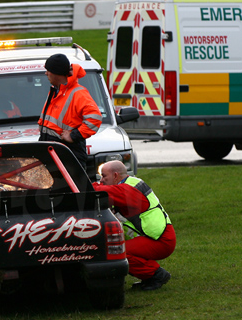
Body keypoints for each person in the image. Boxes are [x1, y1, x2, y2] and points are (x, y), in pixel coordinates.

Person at [93, 160, 176, 291]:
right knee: (116, 250)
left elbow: (99, 190)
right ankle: (149, 277)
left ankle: (156, 275)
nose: (101, 180)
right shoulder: (129, 184)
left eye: (104, 176)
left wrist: (83, 186)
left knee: (118, 252)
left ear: (115, 176)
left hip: (161, 240)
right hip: (157, 236)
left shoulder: (128, 189)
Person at [38, 53, 102, 170]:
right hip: (55, 154)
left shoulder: (78, 93)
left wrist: (74, 135)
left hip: (68, 156)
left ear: (56, 73)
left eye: (48, 70)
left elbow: (95, 118)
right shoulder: (56, 91)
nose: (46, 73)